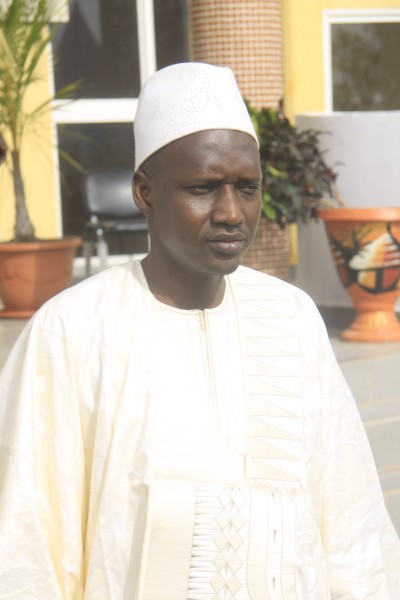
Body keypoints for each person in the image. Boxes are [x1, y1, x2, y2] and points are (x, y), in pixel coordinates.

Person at [0, 62, 399, 600]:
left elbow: (350, 522)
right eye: (203, 188)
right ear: (145, 192)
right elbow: (27, 544)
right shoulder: (73, 330)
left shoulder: (292, 317)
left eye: (247, 187)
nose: (231, 212)